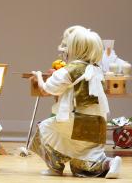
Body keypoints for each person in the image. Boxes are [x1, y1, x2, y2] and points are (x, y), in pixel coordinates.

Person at [30, 25, 122, 178]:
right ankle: (109, 163)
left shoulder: (71, 69)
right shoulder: (96, 69)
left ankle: (55, 168)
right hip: (98, 123)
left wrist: (39, 76)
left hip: (77, 121)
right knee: (81, 162)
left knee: (45, 129)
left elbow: (46, 90)